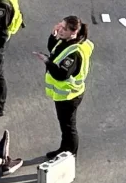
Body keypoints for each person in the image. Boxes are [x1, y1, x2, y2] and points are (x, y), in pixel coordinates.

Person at [33, 15, 94, 158]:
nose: (60, 30)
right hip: (66, 95)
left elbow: (61, 74)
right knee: (65, 126)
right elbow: (54, 50)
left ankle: (71, 155)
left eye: (64, 29)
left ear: (73, 32)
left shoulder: (74, 53)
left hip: (69, 96)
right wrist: (53, 36)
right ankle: (64, 149)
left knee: (68, 127)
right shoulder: (67, 41)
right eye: (60, 25)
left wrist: (47, 62)